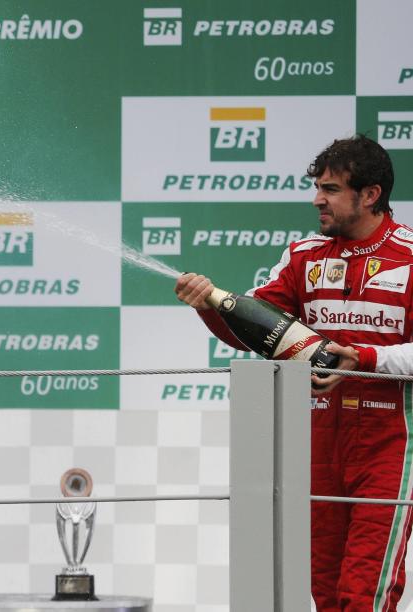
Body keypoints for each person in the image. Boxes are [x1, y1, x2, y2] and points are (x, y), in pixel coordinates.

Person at [175, 134, 413, 610]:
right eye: (317, 187)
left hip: (391, 440)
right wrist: (208, 305)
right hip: (318, 434)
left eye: (329, 189)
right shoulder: (303, 255)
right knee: (324, 591)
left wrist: (365, 358)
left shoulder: (411, 254)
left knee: (363, 592)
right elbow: (259, 335)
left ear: (370, 194)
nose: (316, 199)